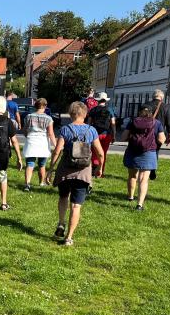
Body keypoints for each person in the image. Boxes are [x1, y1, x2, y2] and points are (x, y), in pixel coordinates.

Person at [46, 101, 105, 246]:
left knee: (63, 197)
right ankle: (69, 237)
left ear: (72, 114)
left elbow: (57, 151)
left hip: (65, 170)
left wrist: (51, 169)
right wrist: (100, 168)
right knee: (76, 205)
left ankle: (61, 223)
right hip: (83, 172)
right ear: (85, 114)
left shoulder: (66, 129)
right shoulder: (91, 131)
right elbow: (100, 153)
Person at [121, 105, 167, 210]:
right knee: (143, 179)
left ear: (139, 112)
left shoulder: (133, 122)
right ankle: (139, 204)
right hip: (149, 152)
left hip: (132, 151)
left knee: (132, 175)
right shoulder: (157, 123)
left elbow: (123, 137)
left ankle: (130, 197)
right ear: (151, 112)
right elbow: (161, 139)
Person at [22, 97, 56, 191]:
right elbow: (51, 133)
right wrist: (56, 145)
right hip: (43, 142)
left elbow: (24, 129)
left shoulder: (28, 116)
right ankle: (41, 182)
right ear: (45, 106)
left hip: (31, 140)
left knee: (30, 163)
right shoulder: (48, 118)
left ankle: (27, 184)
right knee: (42, 164)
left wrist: (27, 136)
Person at [86, 92, 116, 177]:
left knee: (94, 152)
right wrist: (114, 135)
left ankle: (94, 169)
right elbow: (113, 123)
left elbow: (89, 123)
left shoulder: (93, 110)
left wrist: (88, 134)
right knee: (104, 153)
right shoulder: (110, 110)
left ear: (97, 100)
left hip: (95, 134)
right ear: (105, 101)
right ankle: (101, 172)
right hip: (107, 134)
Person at [149, 88, 170, 180]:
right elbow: (169, 122)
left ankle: (143, 169)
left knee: (144, 149)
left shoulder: (145, 105)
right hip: (159, 133)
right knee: (155, 151)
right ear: (162, 98)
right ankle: (152, 171)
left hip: (145, 132)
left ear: (153, 97)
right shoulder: (166, 107)